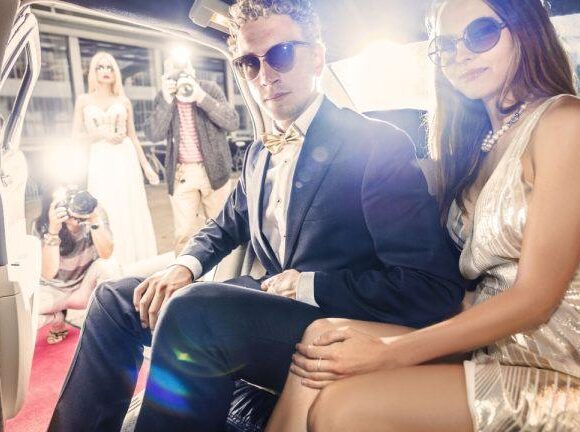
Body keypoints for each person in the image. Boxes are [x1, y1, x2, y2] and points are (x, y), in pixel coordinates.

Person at [48, 1, 470, 430]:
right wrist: (183, 266)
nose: (265, 75)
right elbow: (224, 224)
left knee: (196, 312)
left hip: (332, 320)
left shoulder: (376, 145)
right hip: (261, 307)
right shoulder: (256, 154)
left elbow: (431, 287)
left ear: (317, 57)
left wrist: (307, 284)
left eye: (281, 54)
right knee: (115, 299)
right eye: (250, 63)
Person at [266, 1, 580, 431]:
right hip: (492, 345)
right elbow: (471, 288)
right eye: (446, 45)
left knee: (342, 408)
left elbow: (535, 299)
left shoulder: (564, 121)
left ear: (525, 30)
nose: (461, 54)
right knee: (324, 338)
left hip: (556, 368)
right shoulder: (477, 148)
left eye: (481, 33)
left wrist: (390, 352)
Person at [145, 54, 240, 254]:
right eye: (175, 71)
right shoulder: (164, 96)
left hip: (215, 171)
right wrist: (166, 100)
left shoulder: (208, 89)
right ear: (166, 75)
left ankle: (224, 272)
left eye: (184, 69)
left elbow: (232, 122)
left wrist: (201, 98)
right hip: (182, 173)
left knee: (223, 230)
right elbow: (153, 134)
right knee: (185, 235)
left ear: (193, 71)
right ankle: (188, 271)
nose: (181, 75)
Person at [72, 51, 159, 268]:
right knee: (105, 204)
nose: (105, 71)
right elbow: (76, 136)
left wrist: (146, 166)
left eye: (110, 67)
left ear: (115, 72)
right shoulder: (83, 100)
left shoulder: (123, 100)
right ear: (93, 72)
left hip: (124, 157)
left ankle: (134, 262)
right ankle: (109, 261)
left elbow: (133, 136)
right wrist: (101, 134)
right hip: (100, 158)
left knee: (129, 207)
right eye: (100, 67)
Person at [34, 188, 120, 344]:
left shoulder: (94, 213)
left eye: (75, 197)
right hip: (54, 292)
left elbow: (106, 254)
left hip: (83, 289)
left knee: (109, 265)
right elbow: (48, 273)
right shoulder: (42, 225)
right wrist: (53, 231)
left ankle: (108, 325)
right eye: (66, 200)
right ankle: (57, 319)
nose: (73, 205)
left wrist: (95, 220)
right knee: (21, 315)